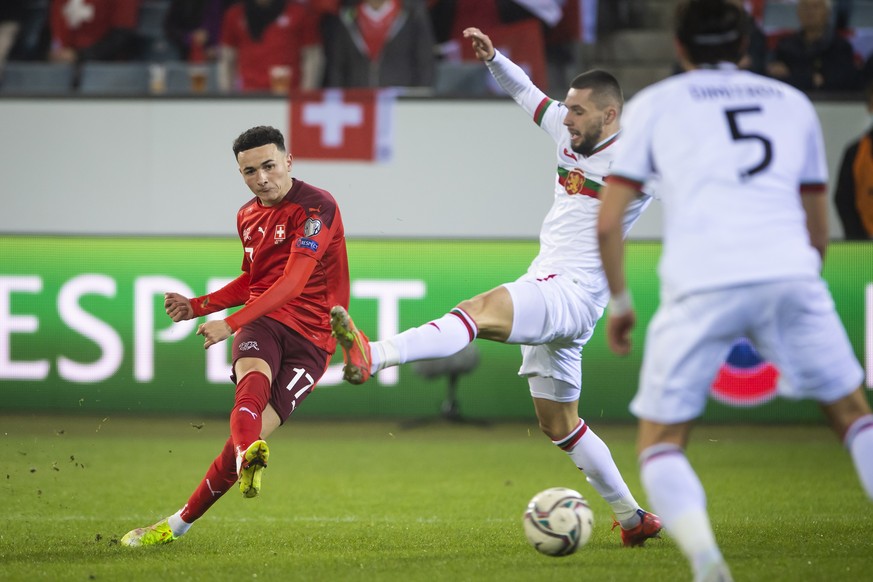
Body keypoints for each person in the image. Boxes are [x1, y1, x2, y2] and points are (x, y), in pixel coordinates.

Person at [329, 26, 662, 546]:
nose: (566, 117)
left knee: (476, 310)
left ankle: (377, 355)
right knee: (560, 425)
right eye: (567, 109)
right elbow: (529, 94)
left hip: (569, 293)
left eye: (577, 111)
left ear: (610, 114)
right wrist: (494, 60)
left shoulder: (640, 161)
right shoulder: (566, 129)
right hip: (559, 294)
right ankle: (634, 517)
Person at [597, 1, 873, 580]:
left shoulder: (655, 106)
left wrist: (621, 306)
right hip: (789, 271)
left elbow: (607, 221)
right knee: (853, 416)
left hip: (703, 279)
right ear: (749, 46)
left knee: (661, 442)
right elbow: (818, 223)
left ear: (680, 47)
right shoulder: (792, 103)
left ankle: (707, 561)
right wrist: (801, 285)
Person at [120, 125, 350, 546]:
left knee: (245, 433)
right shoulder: (247, 216)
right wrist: (198, 305)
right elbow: (254, 279)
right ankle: (245, 459)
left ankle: (179, 521)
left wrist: (229, 322)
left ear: (288, 162)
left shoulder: (317, 207)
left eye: (268, 166)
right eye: (249, 171)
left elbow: (293, 283)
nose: (261, 178)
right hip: (265, 319)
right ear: (240, 173)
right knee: (250, 385)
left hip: (314, 338)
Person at [321, 0, 435, 88]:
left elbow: (425, 61)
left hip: (401, 101)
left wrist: (419, 97)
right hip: (358, 101)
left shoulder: (411, 15)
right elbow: (336, 66)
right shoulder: (348, 18)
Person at [218, 0, 323, 92]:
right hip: (249, 96)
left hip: (288, 96)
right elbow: (227, 58)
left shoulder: (300, 12)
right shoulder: (235, 14)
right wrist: (228, 95)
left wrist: (305, 95)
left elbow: (312, 57)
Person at [765, 0, 860, 92]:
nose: (810, 11)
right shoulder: (785, 46)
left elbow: (840, 84)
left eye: (816, 6)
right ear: (798, 12)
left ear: (828, 13)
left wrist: (793, 75)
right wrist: (811, 79)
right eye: (805, 7)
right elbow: (775, 80)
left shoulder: (841, 48)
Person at [834, 80, 873, 239]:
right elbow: (843, 199)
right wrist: (858, 239)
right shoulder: (855, 152)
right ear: (869, 108)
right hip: (863, 246)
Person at [48, 0, 140, 63]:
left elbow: (122, 35)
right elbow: (53, 26)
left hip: (105, 65)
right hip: (61, 63)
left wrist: (80, 56)